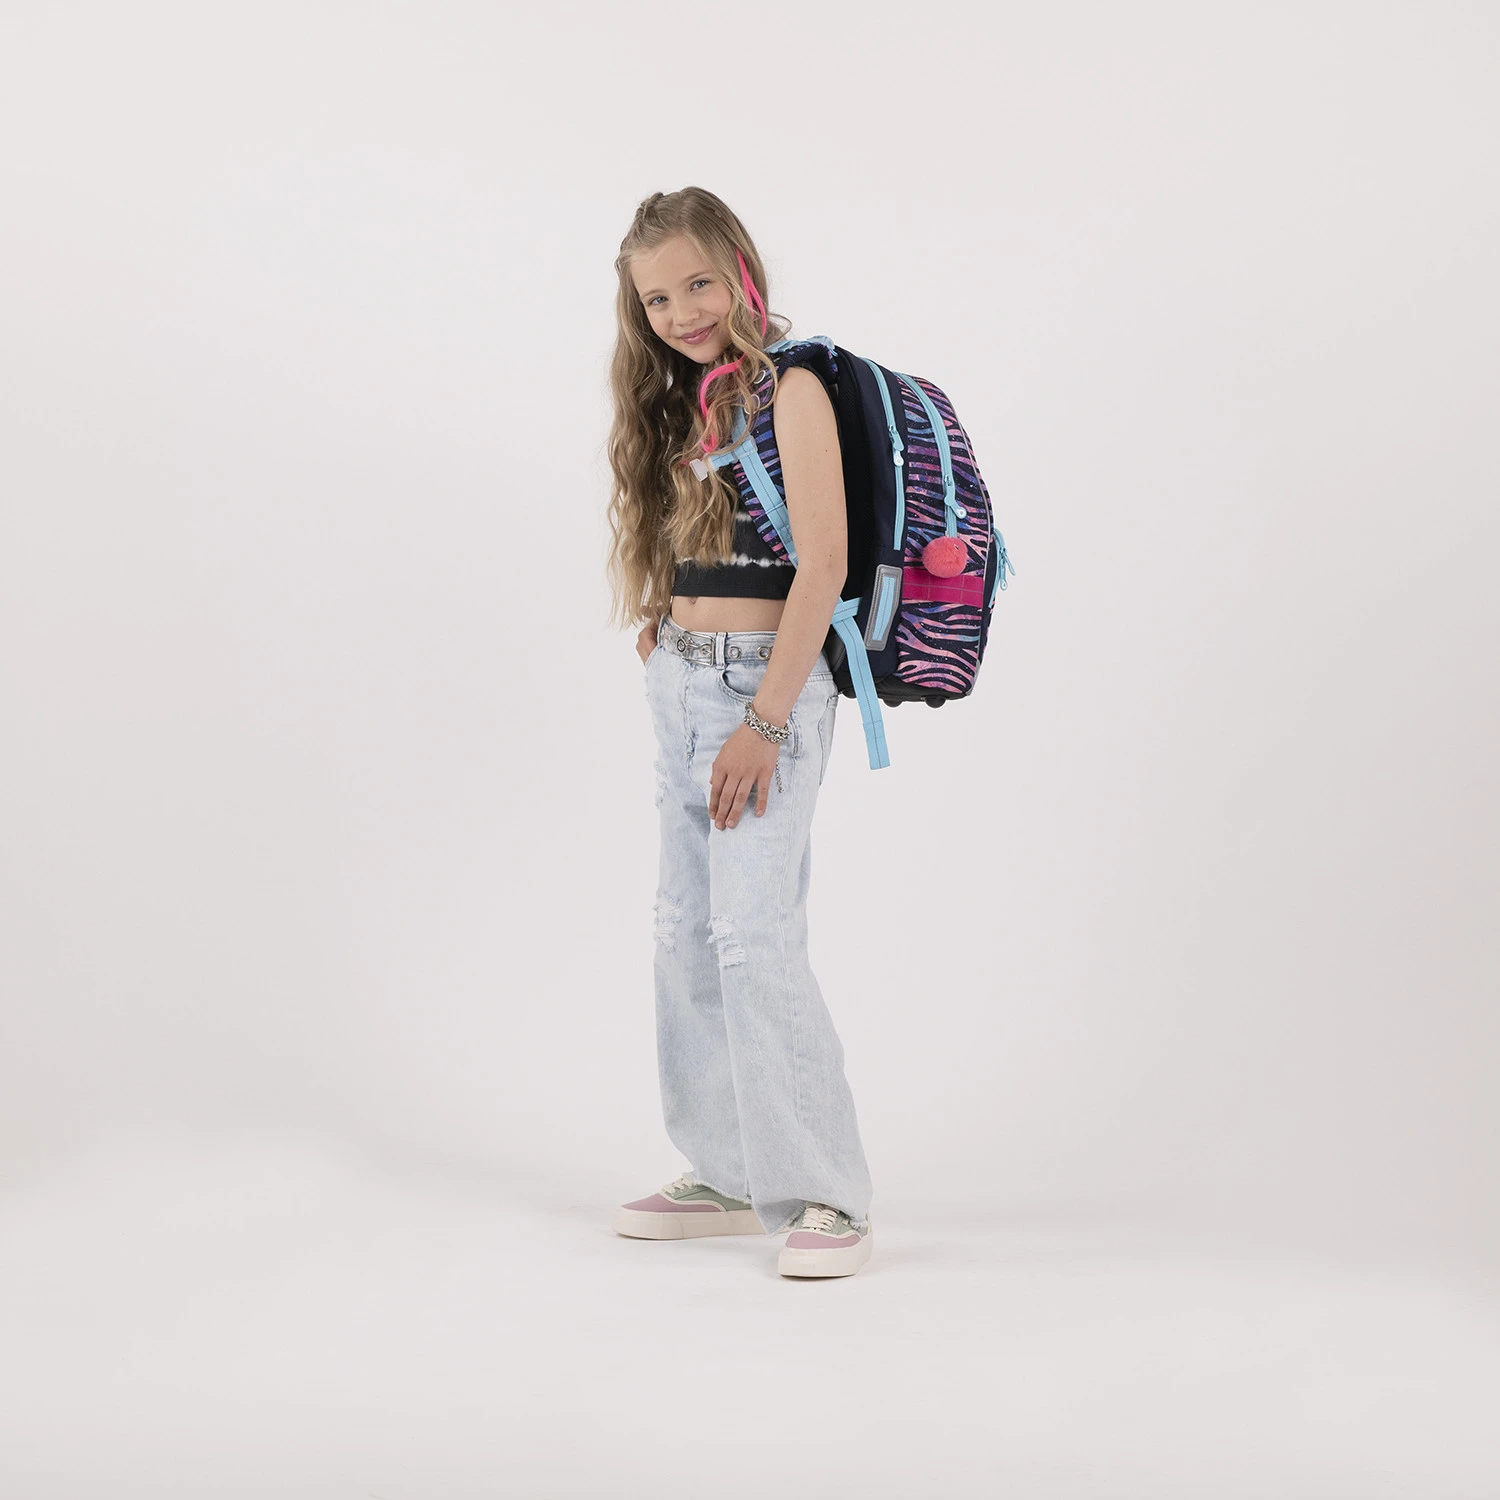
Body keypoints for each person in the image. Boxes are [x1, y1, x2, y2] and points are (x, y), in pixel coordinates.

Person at [603, 187, 874, 1279]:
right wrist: (665, 621)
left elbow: (824, 564)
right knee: (685, 931)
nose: (681, 312)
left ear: (742, 272)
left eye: (699, 284)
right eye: (658, 299)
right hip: (682, 678)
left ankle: (826, 1193)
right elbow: (707, 532)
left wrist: (764, 720)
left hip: (768, 690)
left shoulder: (790, 388)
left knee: (755, 935)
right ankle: (724, 1167)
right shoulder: (683, 399)